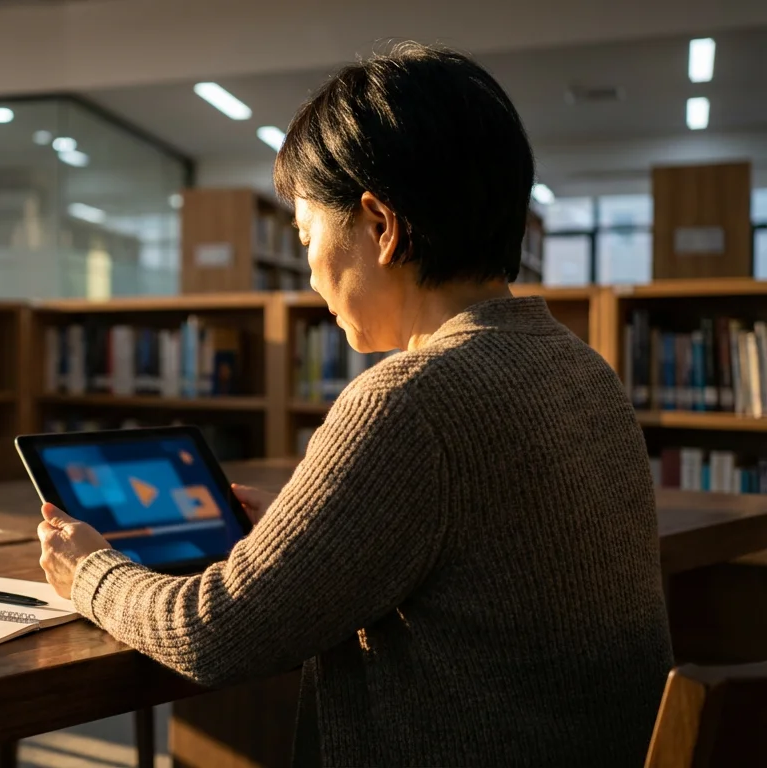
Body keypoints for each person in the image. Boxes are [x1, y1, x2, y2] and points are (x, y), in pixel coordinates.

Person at [36, 42, 673, 767]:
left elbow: (215, 635)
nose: (309, 272)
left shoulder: (408, 397)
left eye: (307, 235)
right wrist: (317, 528)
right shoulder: (581, 367)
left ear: (380, 226)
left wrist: (90, 571)